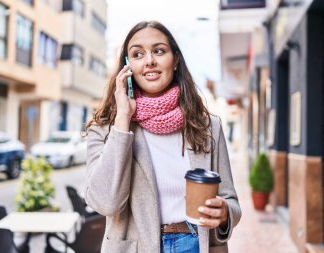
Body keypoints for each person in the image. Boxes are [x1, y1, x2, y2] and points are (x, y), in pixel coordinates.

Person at [84, 20, 241, 253]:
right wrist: (122, 120)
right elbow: (105, 203)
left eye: (159, 51)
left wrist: (225, 212)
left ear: (175, 59)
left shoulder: (207, 127)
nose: (149, 61)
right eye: (138, 54)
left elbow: (231, 201)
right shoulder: (106, 129)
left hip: (195, 244)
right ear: (127, 67)